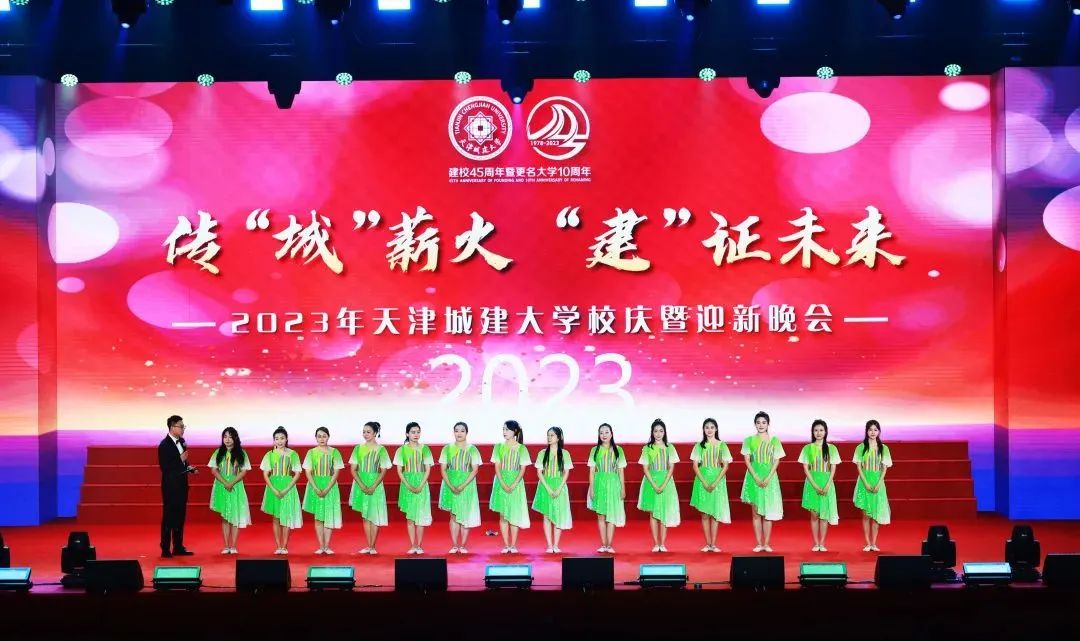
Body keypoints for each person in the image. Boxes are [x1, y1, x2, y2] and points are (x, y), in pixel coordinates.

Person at [740, 411, 785, 552]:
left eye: (764, 422)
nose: (761, 425)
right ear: (755, 424)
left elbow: (776, 460)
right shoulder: (749, 440)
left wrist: (768, 477)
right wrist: (756, 477)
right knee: (756, 512)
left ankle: (766, 544)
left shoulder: (774, 440)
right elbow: (747, 460)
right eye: (758, 422)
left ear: (768, 424)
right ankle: (759, 544)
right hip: (753, 478)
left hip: (770, 479)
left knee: (768, 512)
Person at [438, 421, 482, 554]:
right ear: (453, 432)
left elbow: (475, 470)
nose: (459, 433)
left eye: (462, 431)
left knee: (465, 514)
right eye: (457, 430)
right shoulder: (447, 448)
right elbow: (443, 469)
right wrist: (450, 485)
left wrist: (462, 485)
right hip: (450, 484)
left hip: (467, 485)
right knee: (453, 515)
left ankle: (463, 545)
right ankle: (454, 545)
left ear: (466, 433)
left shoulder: (472, 449)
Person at [689, 417, 733, 553]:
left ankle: (713, 544)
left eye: (712, 427)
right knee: (704, 514)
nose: (709, 430)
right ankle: (707, 544)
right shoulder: (699, 446)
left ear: (716, 429)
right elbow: (695, 466)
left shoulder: (722, 445)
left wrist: (715, 482)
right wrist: (704, 482)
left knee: (714, 513)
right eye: (707, 427)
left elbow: (725, 466)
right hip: (702, 480)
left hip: (717, 481)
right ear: (703, 429)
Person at [638, 418, 680, 552]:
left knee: (664, 513)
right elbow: (645, 468)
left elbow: (671, 468)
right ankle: (656, 543)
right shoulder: (647, 448)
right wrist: (654, 485)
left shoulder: (670, 448)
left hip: (666, 482)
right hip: (651, 482)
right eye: (655, 431)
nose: (658, 433)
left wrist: (664, 484)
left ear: (664, 432)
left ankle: (663, 544)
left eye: (661, 431)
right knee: (653, 514)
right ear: (652, 432)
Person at [349, 421, 392, 555]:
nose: (365, 434)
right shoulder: (358, 448)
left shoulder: (381, 449)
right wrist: (361, 485)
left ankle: (373, 546)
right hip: (360, 483)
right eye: (364, 432)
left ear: (375, 433)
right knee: (365, 515)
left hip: (376, 484)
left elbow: (383, 470)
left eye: (368, 432)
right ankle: (368, 546)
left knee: (374, 514)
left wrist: (373, 485)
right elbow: (353, 469)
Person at [259, 426, 303, 555]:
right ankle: (278, 546)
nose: (279, 441)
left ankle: (284, 546)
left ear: (286, 439)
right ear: (274, 440)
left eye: (282, 438)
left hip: (288, 487)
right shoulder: (269, 455)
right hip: (273, 487)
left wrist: (287, 489)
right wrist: (273, 488)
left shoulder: (293, 454)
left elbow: (297, 473)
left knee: (286, 517)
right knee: (276, 517)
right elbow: (265, 474)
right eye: (277, 438)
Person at [799, 419, 840, 552]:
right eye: (816, 430)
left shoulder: (832, 448)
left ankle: (822, 543)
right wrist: (815, 485)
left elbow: (833, 468)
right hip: (812, 484)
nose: (818, 433)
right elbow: (806, 469)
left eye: (821, 430)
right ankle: (816, 543)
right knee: (814, 514)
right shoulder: (807, 448)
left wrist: (827, 485)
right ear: (812, 432)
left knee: (824, 515)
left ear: (825, 432)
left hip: (827, 483)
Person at [490, 420, 531, 554]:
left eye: (507, 429)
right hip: (500, 482)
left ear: (515, 431)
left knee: (514, 514)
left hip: (516, 484)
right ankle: (506, 545)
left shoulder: (522, 448)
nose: (504, 432)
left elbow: (522, 469)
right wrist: (502, 482)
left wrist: (514, 484)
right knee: (503, 515)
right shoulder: (498, 447)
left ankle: (513, 545)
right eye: (503, 429)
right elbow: (497, 466)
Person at [303, 427, 345, 555]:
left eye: (324, 436)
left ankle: (327, 546)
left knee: (328, 516)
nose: (322, 439)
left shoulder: (334, 452)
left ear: (328, 437)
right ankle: (321, 546)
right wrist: (315, 487)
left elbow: (336, 472)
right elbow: (308, 472)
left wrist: (327, 488)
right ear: (316, 438)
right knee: (318, 517)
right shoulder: (311, 452)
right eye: (319, 436)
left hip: (330, 487)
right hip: (314, 486)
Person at [208, 426, 251, 554]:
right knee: (225, 517)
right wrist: (225, 482)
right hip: (222, 487)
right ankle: (226, 546)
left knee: (235, 516)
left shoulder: (241, 453)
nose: (227, 439)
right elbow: (214, 470)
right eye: (225, 437)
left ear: (235, 438)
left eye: (230, 437)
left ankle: (233, 546)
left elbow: (244, 471)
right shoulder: (218, 452)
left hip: (236, 487)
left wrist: (231, 482)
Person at [158, 414, 196, 557]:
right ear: (172, 427)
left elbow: (183, 463)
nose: (183, 429)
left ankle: (178, 546)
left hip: (182, 486)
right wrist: (179, 459)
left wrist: (189, 468)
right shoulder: (164, 445)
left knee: (180, 516)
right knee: (169, 517)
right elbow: (165, 467)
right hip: (170, 487)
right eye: (181, 426)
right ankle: (165, 548)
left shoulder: (182, 441)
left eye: (183, 426)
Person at [394, 421, 434, 555]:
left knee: (421, 516)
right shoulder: (401, 450)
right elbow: (399, 471)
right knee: (410, 517)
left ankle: (420, 546)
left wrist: (421, 484)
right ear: (407, 434)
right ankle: (413, 545)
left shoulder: (425, 449)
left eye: (418, 432)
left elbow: (428, 469)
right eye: (413, 432)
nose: (416, 434)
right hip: (407, 485)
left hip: (422, 483)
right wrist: (408, 485)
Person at [586, 423, 626, 554]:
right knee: (601, 515)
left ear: (611, 434)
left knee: (611, 514)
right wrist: (592, 489)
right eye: (601, 432)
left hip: (614, 484)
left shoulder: (618, 450)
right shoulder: (595, 450)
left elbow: (621, 471)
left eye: (606, 432)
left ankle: (609, 545)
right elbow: (592, 471)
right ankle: (603, 544)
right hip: (599, 484)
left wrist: (623, 488)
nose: (604, 435)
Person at [532, 426, 573, 554]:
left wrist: (559, 488)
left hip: (560, 485)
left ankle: (556, 545)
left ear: (558, 437)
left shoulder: (565, 453)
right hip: (545, 486)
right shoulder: (542, 453)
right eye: (548, 435)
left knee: (558, 515)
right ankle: (549, 545)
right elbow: (539, 472)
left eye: (552, 435)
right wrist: (548, 488)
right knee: (547, 515)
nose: (549, 438)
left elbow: (566, 473)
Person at [854, 419, 893, 552]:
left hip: (878, 483)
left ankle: (874, 543)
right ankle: (867, 543)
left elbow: (884, 468)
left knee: (876, 514)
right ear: (866, 431)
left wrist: (879, 483)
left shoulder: (884, 448)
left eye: (875, 430)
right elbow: (859, 467)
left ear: (879, 432)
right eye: (870, 430)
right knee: (866, 514)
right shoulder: (860, 448)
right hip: (864, 481)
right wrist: (865, 482)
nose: (873, 432)